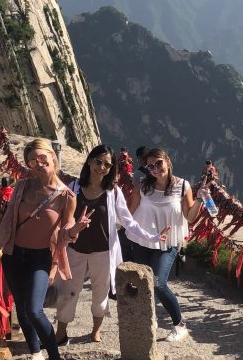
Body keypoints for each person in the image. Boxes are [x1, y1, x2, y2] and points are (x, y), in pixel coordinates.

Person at [0, 138, 90, 360]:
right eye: (32, 161)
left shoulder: (66, 196)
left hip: (40, 257)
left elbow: (64, 233)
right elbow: (7, 222)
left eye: (42, 159)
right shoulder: (22, 186)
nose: (38, 165)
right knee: (20, 307)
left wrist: (76, 230)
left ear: (52, 157)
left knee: (34, 309)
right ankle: (35, 354)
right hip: (14, 255)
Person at [56, 144, 169, 345]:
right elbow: (59, 215)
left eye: (107, 165)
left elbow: (128, 222)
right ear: (89, 161)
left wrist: (152, 237)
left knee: (100, 292)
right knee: (69, 292)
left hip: (103, 252)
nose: (102, 167)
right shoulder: (72, 189)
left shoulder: (112, 192)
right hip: (75, 250)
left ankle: (95, 331)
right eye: (98, 162)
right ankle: (61, 332)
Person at [127, 147, 206, 342]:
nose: (155, 169)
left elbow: (189, 216)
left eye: (158, 163)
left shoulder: (183, 185)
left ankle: (180, 325)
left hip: (168, 242)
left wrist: (200, 200)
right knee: (144, 282)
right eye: (150, 166)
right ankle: (149, 319)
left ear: (168, 161)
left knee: (159, 283)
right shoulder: (143, 185)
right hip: (141, 239)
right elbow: (129, 212)